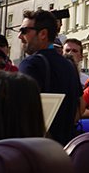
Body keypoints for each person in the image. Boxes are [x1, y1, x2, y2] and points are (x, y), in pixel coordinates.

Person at [16, 9, 82, 145]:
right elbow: (79, 106)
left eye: (24, 31)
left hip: (37, 147)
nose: (19, 36)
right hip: (67, 147)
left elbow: (22, 110)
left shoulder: (30, 64)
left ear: (43, 34)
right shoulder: (69, 65)